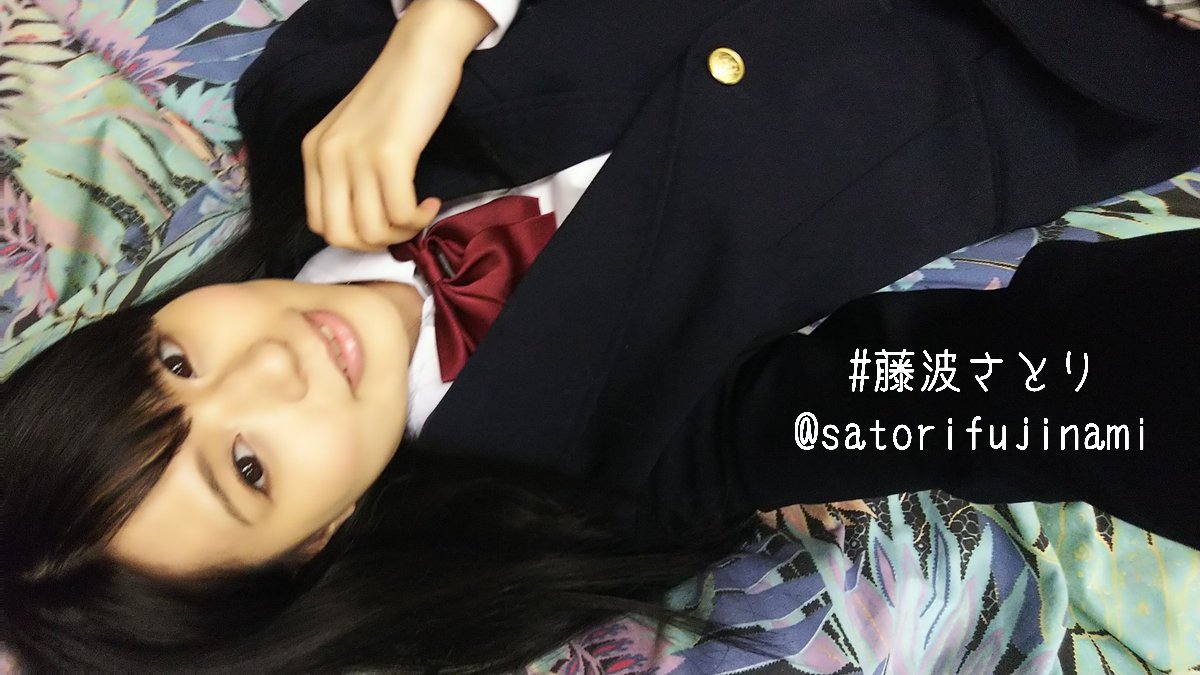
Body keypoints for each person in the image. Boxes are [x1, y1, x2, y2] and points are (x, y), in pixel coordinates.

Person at [2, 0, 1199, 670]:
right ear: (317, 544)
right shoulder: (606, 473)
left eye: (175, 362)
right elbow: (1028, 399)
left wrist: (439, 25)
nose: (269, 365)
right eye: (247, 467)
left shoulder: (307, 94)